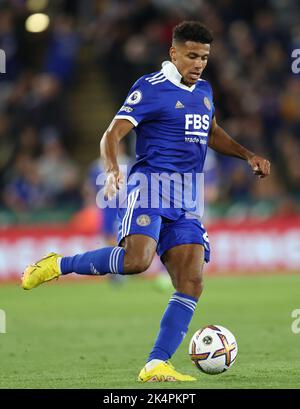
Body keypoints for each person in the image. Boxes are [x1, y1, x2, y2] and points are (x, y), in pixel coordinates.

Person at [21, 21, 270, 382]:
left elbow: (211, 132)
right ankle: (60, 264)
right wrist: (111, 169)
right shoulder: (149, 88)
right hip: (151, 187)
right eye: (191, 55)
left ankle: (156, 363)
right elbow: (113, 133)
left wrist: (247, 155)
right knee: (137, 261)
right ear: (174, 53)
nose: (198, 63)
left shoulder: (204, 91)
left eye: (204, 57)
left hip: (187, 196)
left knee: (192, 280)